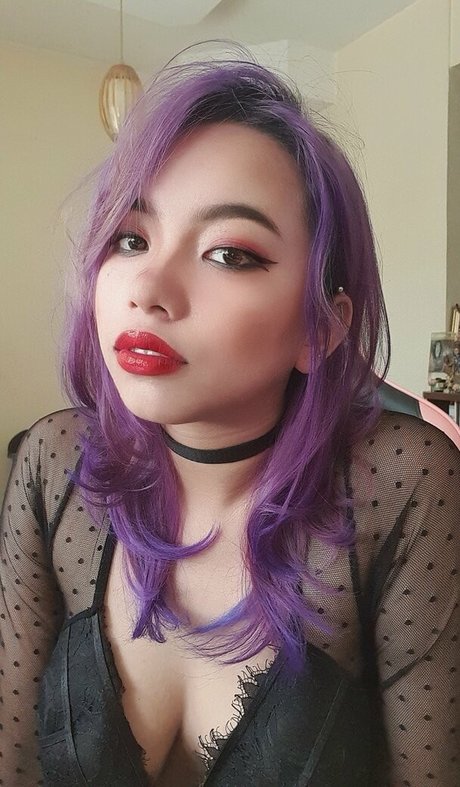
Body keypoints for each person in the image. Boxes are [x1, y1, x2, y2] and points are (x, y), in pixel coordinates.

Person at [1, 48, 459, 787]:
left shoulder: (404, 482)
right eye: (131, 238)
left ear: (322, 328)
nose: (148, 286)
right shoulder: (53, 462)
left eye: (229, 253)